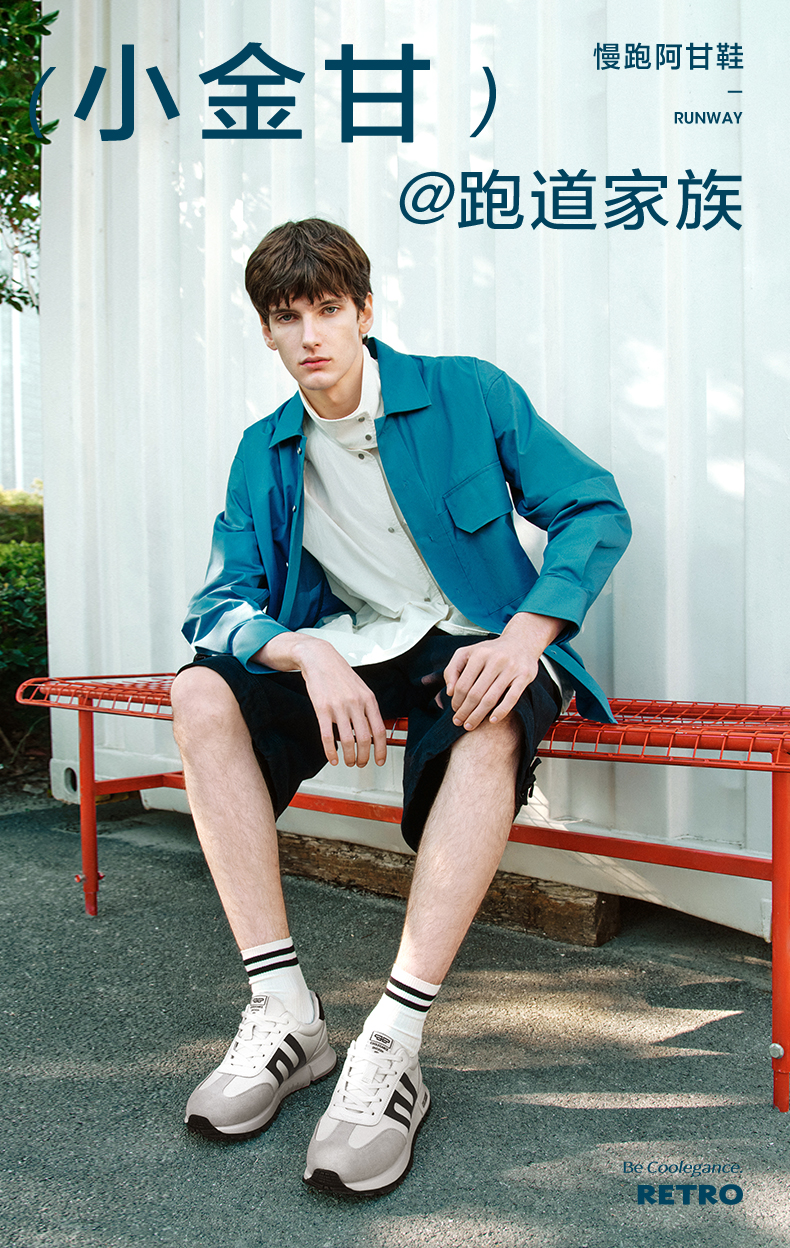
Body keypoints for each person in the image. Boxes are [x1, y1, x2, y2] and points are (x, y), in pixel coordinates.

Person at [171, 217, 631, 1198]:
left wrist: (526, 634)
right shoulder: (265, 450)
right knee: (200, 689)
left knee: (490, 714)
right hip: (348, 647)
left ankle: (394, 1040)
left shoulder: (468, 392)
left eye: (327, 308)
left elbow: (592, 506)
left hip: (480, 639)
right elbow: (220, 601)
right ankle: (283, 1008)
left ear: (365, 311)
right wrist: (305, 650)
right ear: (266, 331)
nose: (309, 335)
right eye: (286, 317)